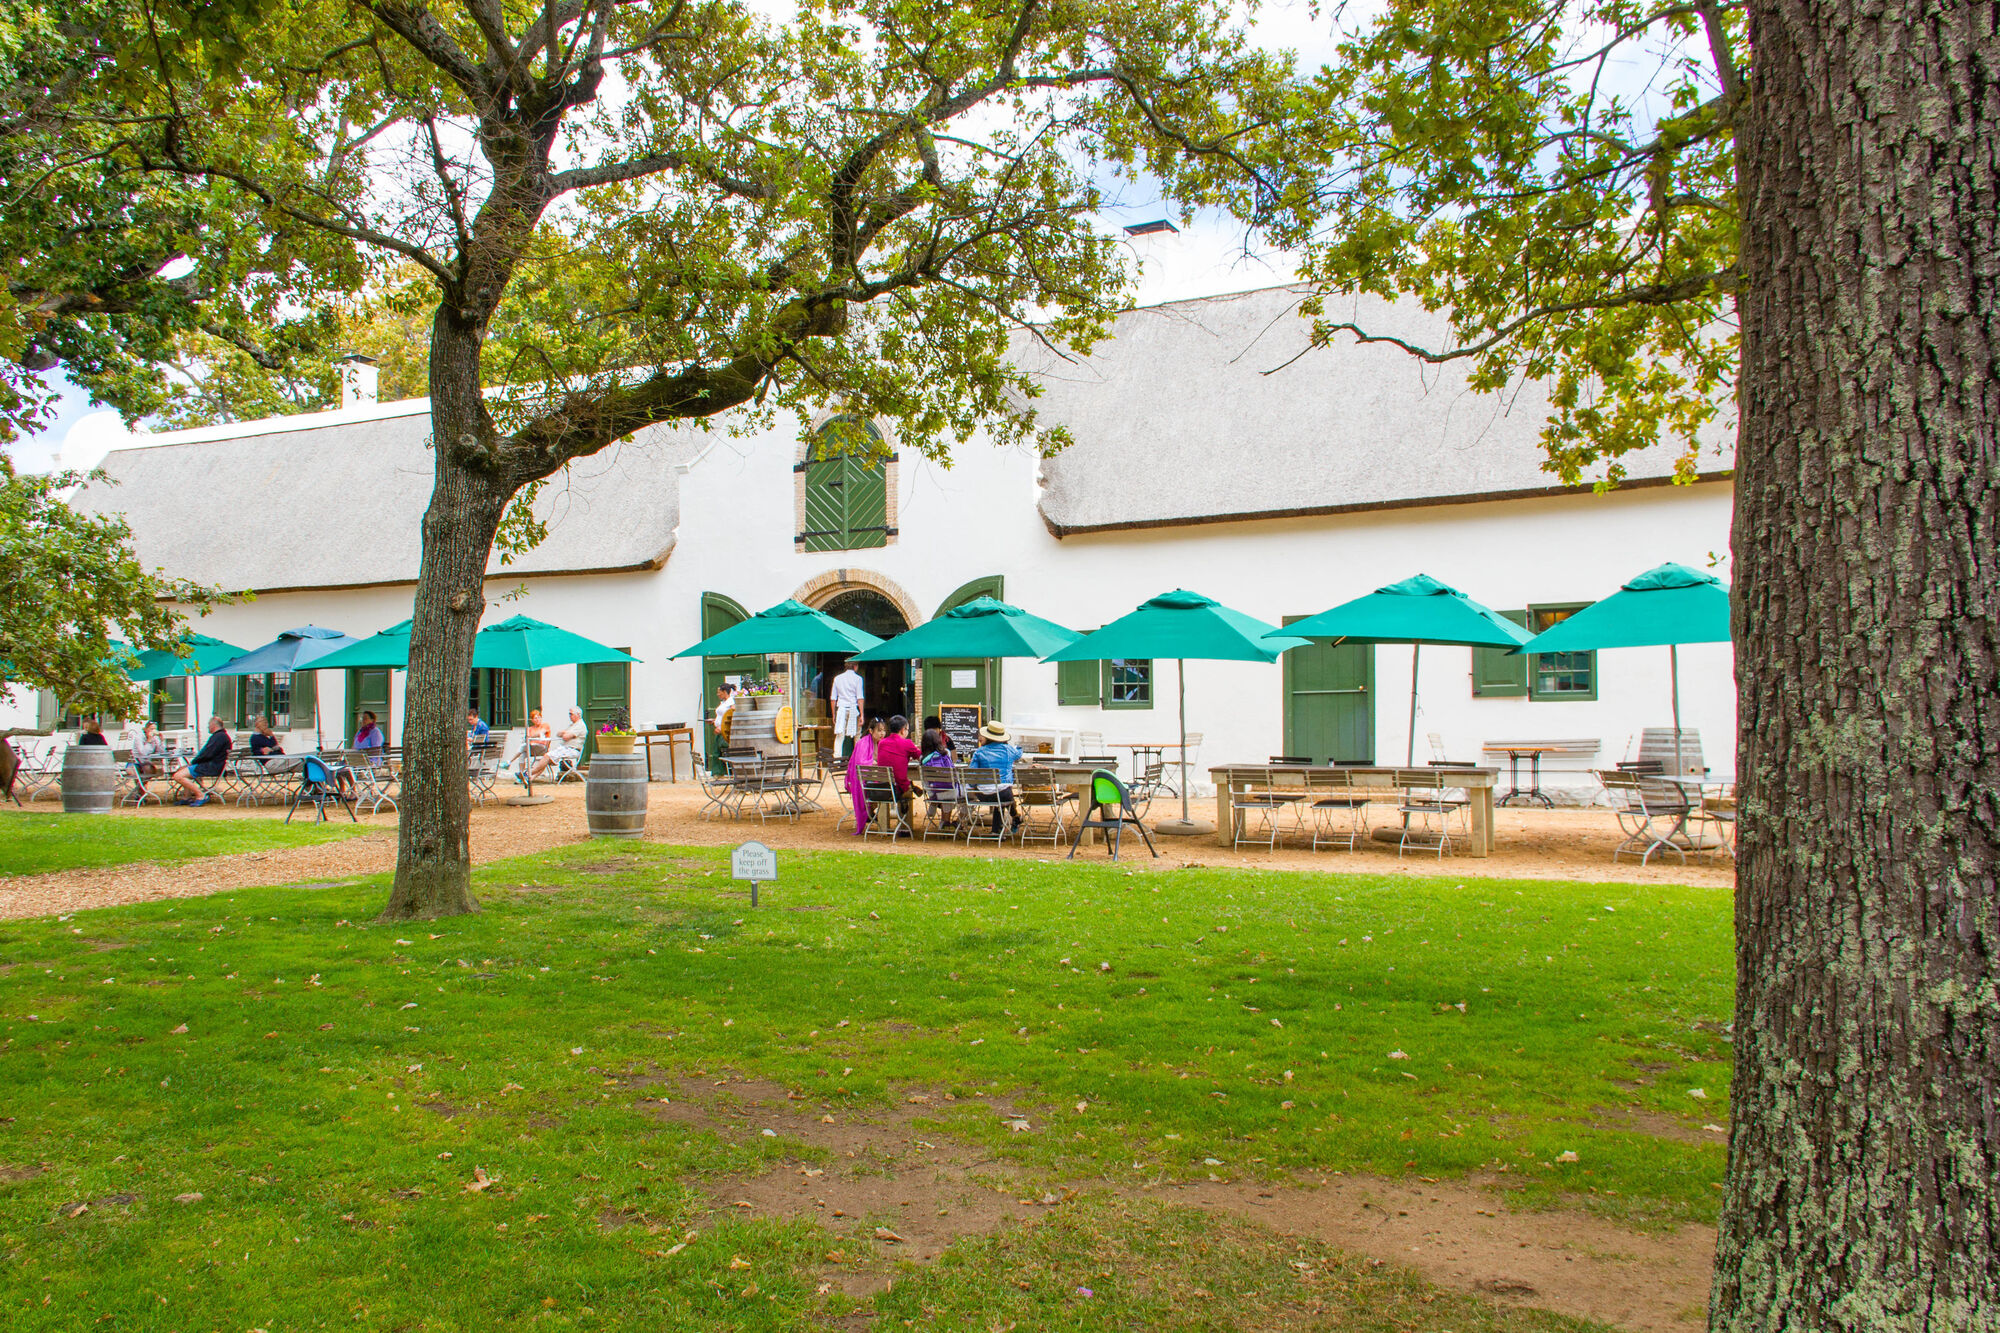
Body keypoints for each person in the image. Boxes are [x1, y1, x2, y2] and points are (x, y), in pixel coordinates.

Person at [969, 720, 1024, 835]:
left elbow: (971, 775)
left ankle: (997, 830)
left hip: (983, 795)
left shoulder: (979, 752)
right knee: (1003, 794)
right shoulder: (1008, 750)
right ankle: (1015, 817)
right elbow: (1019, 752)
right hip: (1003, 794)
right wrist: (1016, 747)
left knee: (1000, 796)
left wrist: (974, 787)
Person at [169, 715, 231, 806]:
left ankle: (200, 795)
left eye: (209, 725)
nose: (208, 727)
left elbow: (207, 754)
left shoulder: (219, 737)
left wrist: (193, 763)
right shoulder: (221, 736)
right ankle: (186, 797)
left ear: (214, 725)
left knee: (178, 776)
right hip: (212, 765)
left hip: (210, 766)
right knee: (181, 770)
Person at [846, 715, 884, 835]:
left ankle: (872, 812)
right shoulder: (863, 743)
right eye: (879, 730)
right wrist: (873, 763)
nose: (882, 733)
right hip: (863, 779)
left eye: (884, 730)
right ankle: (870, 812)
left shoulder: (882, 743)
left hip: (876, 776)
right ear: (871, 731)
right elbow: (860, 763)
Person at [534, 707, 586, 780]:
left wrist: (565, 733)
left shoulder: (580, 725)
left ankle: (528, 774)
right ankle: (530, 777)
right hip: (565, 749)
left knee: (546, 756)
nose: (569, 716)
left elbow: (565, 737)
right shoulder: (572, 725)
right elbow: (558, 734)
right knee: (547, 758)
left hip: (572, 750)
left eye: (571, 714)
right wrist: (565, 733)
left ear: (578, 715)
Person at [876, 715, 920, 796]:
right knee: (907, 786)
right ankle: (905, 808)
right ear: (903, 730)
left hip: (882, 786)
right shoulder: (907, 743)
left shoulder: (881, 743)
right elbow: (920, 757)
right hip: (899, 788)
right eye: (907, 729)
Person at [831, 659, 865, 760]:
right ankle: (858, 759)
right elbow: (860, 698)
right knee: (857, 735)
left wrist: (833, 714)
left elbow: (833, 699)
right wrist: (862, 714)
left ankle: (836, 760)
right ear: (855, 666)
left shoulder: (837, 678)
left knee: (839, 735)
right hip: (853, 709)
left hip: (841, 709)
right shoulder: (858, 679)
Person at [125, 721, 165, 797]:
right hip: (135, 762)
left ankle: (139, 792)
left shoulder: (155, 738)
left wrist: (161, 741)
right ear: (146, 729)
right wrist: (149, 741)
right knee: (137, 774)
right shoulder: (139, 737)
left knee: (150, 770)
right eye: (151, 729)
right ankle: (140, 793)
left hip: (146, 763)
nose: (153, 731)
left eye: (154, 729)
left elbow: (161, 752)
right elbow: (143, 752)